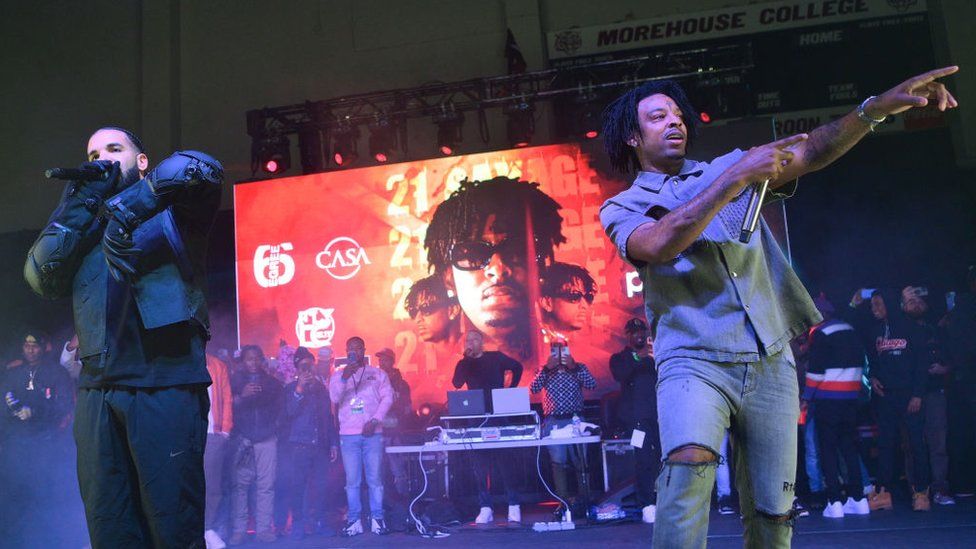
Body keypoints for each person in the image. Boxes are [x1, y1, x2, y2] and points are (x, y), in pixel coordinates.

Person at [598, 67, 959, 548]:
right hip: (693, 359)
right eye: (659, 116)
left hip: (769, 358)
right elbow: (662, 242)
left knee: (775, 511)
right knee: (689, 464)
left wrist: (874, 109)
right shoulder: (621, 206)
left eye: (679, 115)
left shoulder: (725, 167)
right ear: (632, 136)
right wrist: (738, 177)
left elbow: (812, 149)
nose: (675, 122)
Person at [24, 126, 223, 548]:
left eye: (115, 149)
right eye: (93, 153)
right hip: (97, 393)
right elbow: (39, 275)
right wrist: (78, 205)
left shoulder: (176, 213)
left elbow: (199, 166)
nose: (103, 159)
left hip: (164, 384)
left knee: (173, 528)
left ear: (143, 161)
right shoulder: (83, 232)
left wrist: (127, 210)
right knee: (110, 527)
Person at [424, 177, 566, 360]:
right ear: (448, 277)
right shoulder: (433, 387)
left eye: (515, 249)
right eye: (473, 254)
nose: (498, 270)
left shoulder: (596, 369)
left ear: (541, 265)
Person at [1, 331, 78, 547]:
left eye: (34, 346)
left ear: (44, 347)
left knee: (46, 493)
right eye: (26, 346)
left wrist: (35, 411)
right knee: (17, 493)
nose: (30, 350)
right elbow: (5, 403)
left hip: (48, 443)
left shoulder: (57, 373)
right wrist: (11, 407)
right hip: (19, 444)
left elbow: (64, 406)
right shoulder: (15, 373)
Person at [801, 297, 870, 518]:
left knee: (828, 450)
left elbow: (815, 372)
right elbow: (862, 362)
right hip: (850, 399)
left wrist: (806, 397)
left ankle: (835, 502)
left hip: (827, 400)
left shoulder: (821, 334)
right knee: (849, 447)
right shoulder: (850, 330)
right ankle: (858, 500)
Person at [866, 290, 932, 512]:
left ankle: (921, 492)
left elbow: (922, 363)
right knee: (885, 444)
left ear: (889, 303)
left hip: (909, 395)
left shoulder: (912, 327)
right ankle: (884, 492)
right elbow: (873, 359)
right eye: (872, 305)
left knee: (916, 444)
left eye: (878, 304)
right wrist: (873, 377)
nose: (874, 309)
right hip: (886, 396)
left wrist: (918, 394)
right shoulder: (876, 330)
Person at [451, 330, 524, 524]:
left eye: (475, 339)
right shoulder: (464, 363)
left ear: (482, 342)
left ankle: (513, 504)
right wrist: (466, 360)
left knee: (505, 462)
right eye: (468, 340)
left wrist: (509, 390)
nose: (471, 343)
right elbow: (457, 383)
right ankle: (485, 507)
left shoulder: (495, 357)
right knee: (480, 466)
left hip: (498, 415)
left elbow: (517, 367)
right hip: (476, 417)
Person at [329, 337, 394, 537]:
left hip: (372, 433)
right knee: (352, 481)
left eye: (358, 348)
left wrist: (375, 420)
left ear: (364, 350)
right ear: (346, 351)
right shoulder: (338, 375)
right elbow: (334, 398)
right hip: (348, 435)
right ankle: (354, 520)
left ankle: (377, 519)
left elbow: (388, 398)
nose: (355, 352)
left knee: (375, 479)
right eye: (351, 349)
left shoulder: (377, 374)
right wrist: (344, 378)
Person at [529, 340, 596, 519]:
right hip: (553, 422)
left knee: (580, 461)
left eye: (562, 350)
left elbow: (592, 384)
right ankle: (564, 503)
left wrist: (574, 367)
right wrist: (545, 369)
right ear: (550, 352)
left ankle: (585, 502)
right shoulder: (544, 370)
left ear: (568, 350)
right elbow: (533, 389)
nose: (559, 354)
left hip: (575, 419)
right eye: (555, 350)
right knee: (558, 463)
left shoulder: (578, 367)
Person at [278, 347, 338, 540]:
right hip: (299, 446)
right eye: (303, 367)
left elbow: (329, 418)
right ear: (296, 369)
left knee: (321, 486)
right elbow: (288, 414)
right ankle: (297, 524)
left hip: (320, 446)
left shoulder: (321, 389)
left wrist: (333, 444)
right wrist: (299, 390)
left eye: (309, 366)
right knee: (298, 487)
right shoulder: (289, 389)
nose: (307, 370)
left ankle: (319, 522)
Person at [901, 287, 955, 505]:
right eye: (911, 301)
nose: (916, 304)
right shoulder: (898, 329)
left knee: (938, 442)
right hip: (909, 393)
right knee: (911, 443)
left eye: (919, 301)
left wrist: (946, 368)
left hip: (934, 392)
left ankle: (940, 488)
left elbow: (954, 355)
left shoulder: (936, 329)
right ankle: (917, 489)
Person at [229, 345, 283, 545]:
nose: (252, 363)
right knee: (240, 486)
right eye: (249, 359)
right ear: (243, 361)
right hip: (243, 440)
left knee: (266, 486)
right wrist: (241, 397)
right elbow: (226, 405)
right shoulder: (233, 382)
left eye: (256, 359)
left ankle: (263, 529)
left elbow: (281, 409)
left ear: (262, 360)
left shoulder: (272, 383)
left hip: (267, 440)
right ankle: (239, 530)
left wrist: (274, 428)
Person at [609, 318, 660, 523]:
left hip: (661, 418)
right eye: (634, 332)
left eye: (642, 331)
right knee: (644, 461)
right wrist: (639, 358)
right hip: (637, 422)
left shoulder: (655, 354)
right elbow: (620, 374)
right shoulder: (620, 358)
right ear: (627, 335)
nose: (639, 335)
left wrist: (656, 356)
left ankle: (665, 501)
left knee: (665, 460)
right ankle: (646, 504)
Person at [204, 353, 234, 548]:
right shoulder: (178, 362)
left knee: (213, 487)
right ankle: (191, 530)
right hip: (186, 435)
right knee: (187, 484)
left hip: (212, 434)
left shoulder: (217, 365)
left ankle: (208, 529)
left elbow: (227, 397)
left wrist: (224, 430)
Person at [375, 347, 412, 499]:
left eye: (385, 359)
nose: (382, 363)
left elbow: (408, 409)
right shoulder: (374, 382)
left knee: (398, 471)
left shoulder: (401, 384)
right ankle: (383, 504)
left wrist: (394, 410)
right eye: (380, 360)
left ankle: (403, 505)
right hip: (376, 433)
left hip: (395, 434)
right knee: (377, 472)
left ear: (392, 361)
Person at [405, 275, 462, 350]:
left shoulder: (474, 351)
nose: (417, 319)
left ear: (453, 310)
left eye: (426, 308)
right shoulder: (418, 357)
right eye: (413, 312)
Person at [539, 262, 596, 335]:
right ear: (547, 303)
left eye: (588, 297)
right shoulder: (537, 343)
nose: (584, 305)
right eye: (574, 296)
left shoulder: (586, 344)